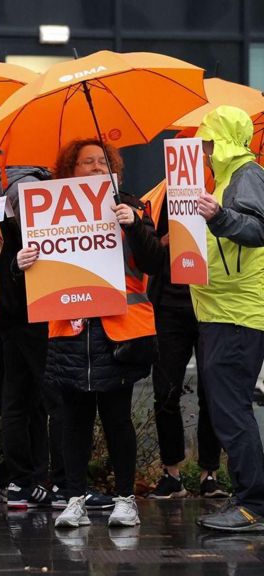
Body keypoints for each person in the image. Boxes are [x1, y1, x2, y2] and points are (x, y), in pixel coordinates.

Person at [16, 139, 156, 529]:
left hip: (120, 332)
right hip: (70, 331)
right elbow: (35, 271)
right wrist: (21, 262)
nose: (96, 168)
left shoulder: (133, 205)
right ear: (70, 170)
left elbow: (154, 262)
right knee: (72, 420)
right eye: (87, 162)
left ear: (115, 170)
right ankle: (74, 498)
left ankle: (125, 499)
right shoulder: (50, 210)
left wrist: (134, 226)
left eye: (103, 162)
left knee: (117, 419)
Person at [190, 106, 264, 532]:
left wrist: (217, 216)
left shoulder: (246, 174)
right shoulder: (224, 179)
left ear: (222, 140)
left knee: (231, 410)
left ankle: (253, 503)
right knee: (227, 409)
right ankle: (248, 498)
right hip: (223, 310)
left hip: (237, 312)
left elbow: (256, 229)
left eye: (206, 141)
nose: (201, 149)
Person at [140, 173, 227, 500]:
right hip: (170, 306)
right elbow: (146, 250)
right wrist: (163, 241)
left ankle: (210, 473)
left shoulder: (224, 191)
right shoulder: (160, 194)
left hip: (212, 303)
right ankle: (172, 473)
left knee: (213, 392)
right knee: (165, 391)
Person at [0, 165, 62, 509]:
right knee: (32, 402)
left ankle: (31, 481)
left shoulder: (6, 214)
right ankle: (34, 480)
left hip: (33, 319)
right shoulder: (4, 226)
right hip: (24, 321)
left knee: (30, 402)